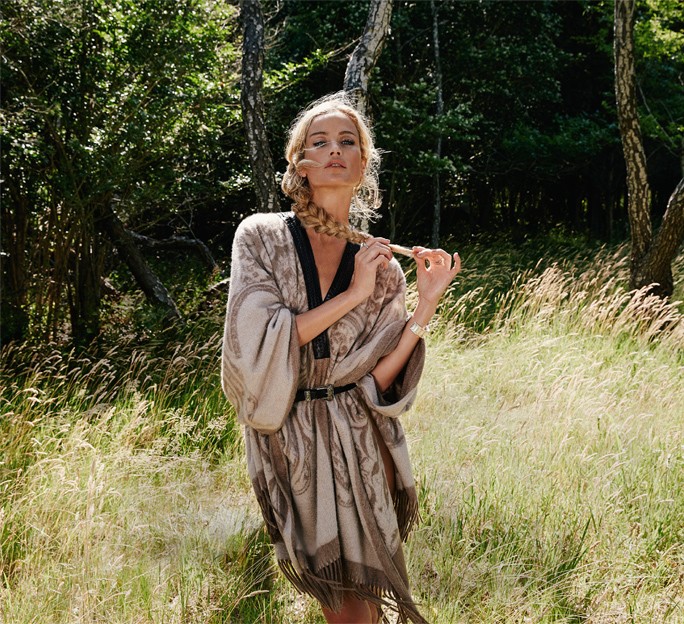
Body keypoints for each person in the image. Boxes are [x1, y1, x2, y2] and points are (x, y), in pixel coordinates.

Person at [221, 92, 460, 624]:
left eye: (347, 142)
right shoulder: (260, 237)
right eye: (320, 141)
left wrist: (425, 303)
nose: (334, 150)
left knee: (362, 606)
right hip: (291, 436)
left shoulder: (383, 264)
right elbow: (254, 342)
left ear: (363, 163)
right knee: (340, 603)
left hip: (362, 437)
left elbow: (378, 380)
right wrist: (353, 294)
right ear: (300, 163)